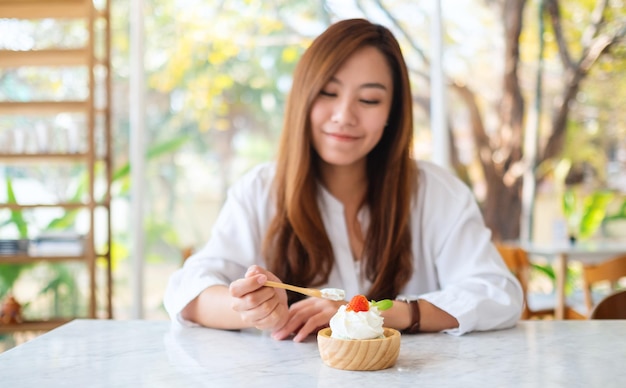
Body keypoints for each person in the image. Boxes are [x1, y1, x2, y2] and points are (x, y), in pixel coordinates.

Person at [164, 18, 523, 342]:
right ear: (303, 97)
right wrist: (255, 309)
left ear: (391, 113)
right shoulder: (260, 190)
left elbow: (497, 293)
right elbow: (189, 291)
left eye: (369, 99)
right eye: (329, 93)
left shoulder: (435, 192)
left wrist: (378, 312)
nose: (344, 116)